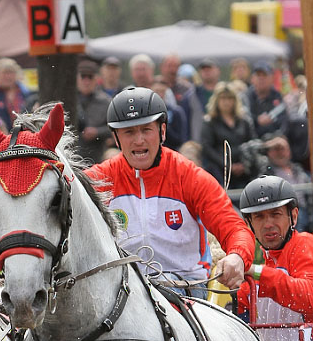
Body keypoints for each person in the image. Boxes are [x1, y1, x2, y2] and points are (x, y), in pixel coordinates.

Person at [84, 86, 255, 295]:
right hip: (122, 288)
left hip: (184, 286)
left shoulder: (190, 177)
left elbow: (235, 228)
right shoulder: (98, 179)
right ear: (116, 138)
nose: (139, 140)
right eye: (129, 132)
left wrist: (237, 255)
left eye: (146, 129)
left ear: (162, 131)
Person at [237, 175, 313, 341]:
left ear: (294, 216)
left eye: (275, 214)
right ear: (249, 224)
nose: (268, 223)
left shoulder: (305, 245)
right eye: (259, 216)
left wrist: (256, 272)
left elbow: (308, 297)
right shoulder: (257, 259)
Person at [201, 81, 256, 188]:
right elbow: (207, 148)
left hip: (245, 170)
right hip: (220, 172)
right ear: (216, 100)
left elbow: (252, 142)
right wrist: (228, 165)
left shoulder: (244, 121)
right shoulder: (210, 122)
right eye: (223, 98)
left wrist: (245, 164)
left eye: (230, 98)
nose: (226, 102)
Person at [263, 134, 311, 232]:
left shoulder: (298, 169)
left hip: (305, 209)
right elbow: (248, 151)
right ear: (268, 152)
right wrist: (266, 144)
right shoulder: (266, 171)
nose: (280, 153)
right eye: (275, 149)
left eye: (282, 149)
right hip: (282, 210)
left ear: (289, 151)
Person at [76, 58, 111, 163]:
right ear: (77, 78)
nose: (86, 81)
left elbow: (114, 127)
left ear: (96, 79)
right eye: (83, 76)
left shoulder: (106, 102)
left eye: (90, 77)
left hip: (97, 157)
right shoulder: (68, 101)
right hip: (71, 156)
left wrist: (97, 132)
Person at [247, 60, 288, 140]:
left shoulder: (278, 97)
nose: (261, 78)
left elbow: (284, 120)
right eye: (258, 75)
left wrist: (272, 120)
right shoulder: (246, 97)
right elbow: (242, 118)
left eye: (264, 75)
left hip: (275, 140)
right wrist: (256, 120)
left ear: (272, 78)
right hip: (251, 140)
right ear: (252, 79)